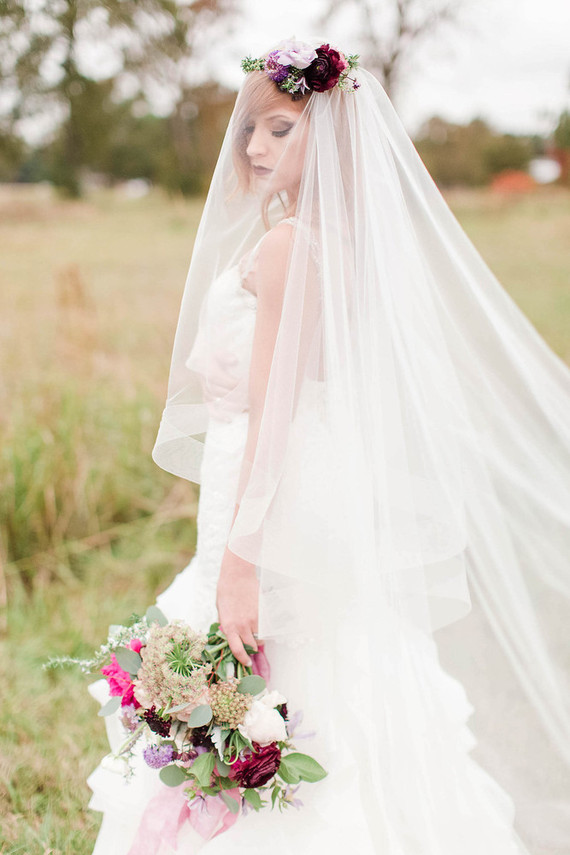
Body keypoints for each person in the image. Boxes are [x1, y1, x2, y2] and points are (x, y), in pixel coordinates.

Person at [87, 36, 570, 855]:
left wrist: (240, 561)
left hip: (267, 495)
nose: (254, 146)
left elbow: (275, 410)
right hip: (274, 486)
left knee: (290, 672)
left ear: (332, 138)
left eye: (281, 127)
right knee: (317, 675)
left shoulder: (288, 247)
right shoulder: (316, 240)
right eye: (249, 129)